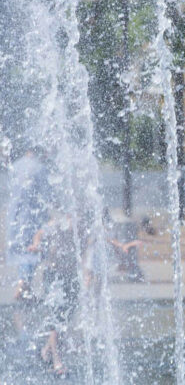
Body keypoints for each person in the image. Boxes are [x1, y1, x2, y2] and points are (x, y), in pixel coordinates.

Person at [30, 213, 80, 377]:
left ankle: (45, 350)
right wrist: (36, 244)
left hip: (71, 276)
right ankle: (57, 361)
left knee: (66, 317)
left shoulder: (81, 225)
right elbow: (39, 233)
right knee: (56, 319)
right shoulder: (58, 223)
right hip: (54, 276)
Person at [5, 147, 51, 301]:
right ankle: (23, 284)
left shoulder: (17, 165)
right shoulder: (40, 168)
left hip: (15, 216)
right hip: (33, 215)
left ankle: (26, 287)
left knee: (22, 251)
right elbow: (46, 195)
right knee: (32, 250)